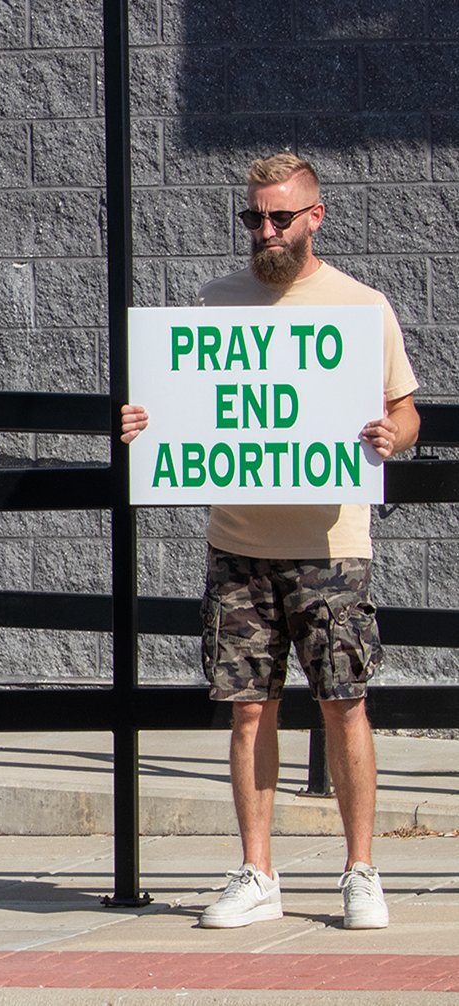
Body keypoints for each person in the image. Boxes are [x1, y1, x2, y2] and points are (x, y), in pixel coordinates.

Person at [121, 155, 419, 930]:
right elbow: (184, 406)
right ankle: (257, 873)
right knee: (248, 711)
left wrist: (394, 435)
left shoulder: (361, 307)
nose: (265, 230)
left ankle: (361, 871)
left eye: (280, 217)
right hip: (238, 546)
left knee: (344, 705)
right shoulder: (214, 304)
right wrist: (144, 423)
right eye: (253, 217)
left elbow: (406, 409)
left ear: (315, 216)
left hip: (332, 547)